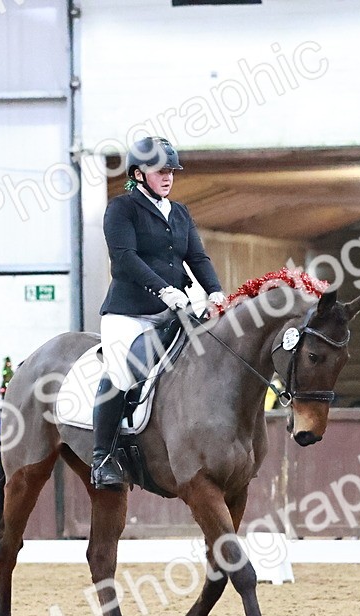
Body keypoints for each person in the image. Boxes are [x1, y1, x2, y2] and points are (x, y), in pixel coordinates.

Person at [92, 137, 226, 489]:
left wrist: (214, 292)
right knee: (121, 374)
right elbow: (125, 258)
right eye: (161, 171)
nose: (168, 177)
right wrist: (164, 290)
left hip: (175, 308)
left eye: (171, 171)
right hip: (129, 313)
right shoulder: (121, 209)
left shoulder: (179, 212)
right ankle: (102, 457)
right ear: (139, 174)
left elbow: (197, 258)